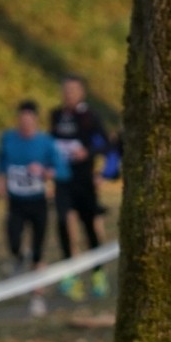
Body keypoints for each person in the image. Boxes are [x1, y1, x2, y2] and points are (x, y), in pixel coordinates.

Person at [0, 100, 66, 316]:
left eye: (29, 120)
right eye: (21, 120)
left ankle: (37, 297)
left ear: (35, 121)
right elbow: (2, 161)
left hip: (38, 203)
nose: (25, 124)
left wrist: (45, 172)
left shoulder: (46, 142)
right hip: (16, 202)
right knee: (13, 240)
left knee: (38, 252)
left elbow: (61, 170)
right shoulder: (8, 139)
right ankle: (19, 257)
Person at [48, 75, 110, 299]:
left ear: (81, 93)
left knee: (89, 226)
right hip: (63, 181)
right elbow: (52, 143)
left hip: (84, 181)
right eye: (66, 90)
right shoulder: (56, 115)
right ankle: (70, 272)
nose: (69, 94)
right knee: (63, 222)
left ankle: (97, 272)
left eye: (73, 90)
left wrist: (88, 153)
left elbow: (104, 143)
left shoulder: (90, 116)